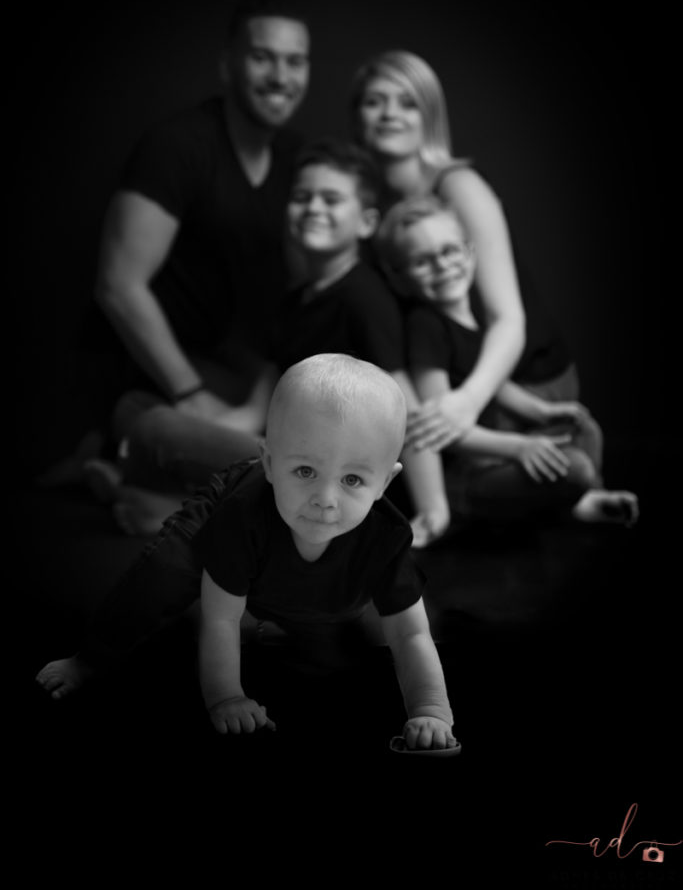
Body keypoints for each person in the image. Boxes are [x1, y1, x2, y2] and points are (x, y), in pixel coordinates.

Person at [80, 139, 450, 546]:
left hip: (326, 472)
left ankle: (157, 499)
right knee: (137, 407)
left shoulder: (364, 298)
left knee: (155, 427)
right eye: (302, 198)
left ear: (365, 223)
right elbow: (258, 409)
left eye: (331, 200)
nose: (313, 208)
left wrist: (433, 508)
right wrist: (190, 435)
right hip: (280, 451)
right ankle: (154, 489)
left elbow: (405, 410)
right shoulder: (294, 303)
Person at [38, 0, 311, 487]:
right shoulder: (178, 147)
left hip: (227, 370)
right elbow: (118, 286)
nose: (280, 76)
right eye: (262, 57)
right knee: (258, 467)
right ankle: (119, 453)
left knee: (278, 452)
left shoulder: (297, 158)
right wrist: (190, 395)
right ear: (227, 66)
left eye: (295, 61)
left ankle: (124, 481)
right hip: (149, 375)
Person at [197, 354, 459, 750]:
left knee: (359, 645)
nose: (325, 499)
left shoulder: (385, 537)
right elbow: (220, 618)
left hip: (336, 610)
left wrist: (431, 710)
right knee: (167, 574)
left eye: (352, 479)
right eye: (305, 471)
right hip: (260, 600)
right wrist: (226, 697)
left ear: (384, 484)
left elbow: (410, 633)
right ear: (268, 463)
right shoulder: (243, 518)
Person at [374, 196, 639, 529]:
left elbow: (492, 385)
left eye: (449, 251)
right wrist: (519, 448)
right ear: (399, 277)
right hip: (468, 474)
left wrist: (541, 412)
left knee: (583, 428)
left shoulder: (474, 315)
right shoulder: (426, 327)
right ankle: (569, 499)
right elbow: (441, 427)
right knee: (575, 468)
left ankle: (584, 499)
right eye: (422, 261)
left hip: (494, 454)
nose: (442, 266)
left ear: (470, 253)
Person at [350, 49, 526, 453]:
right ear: (357, 116)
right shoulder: (371, 206)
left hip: (511, 386)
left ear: (429, 116)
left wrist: (467, 402)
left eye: (408, 103)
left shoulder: (459, 187)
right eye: (375, 101)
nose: (390, 114)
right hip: (445, 387)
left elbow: (508, 320)